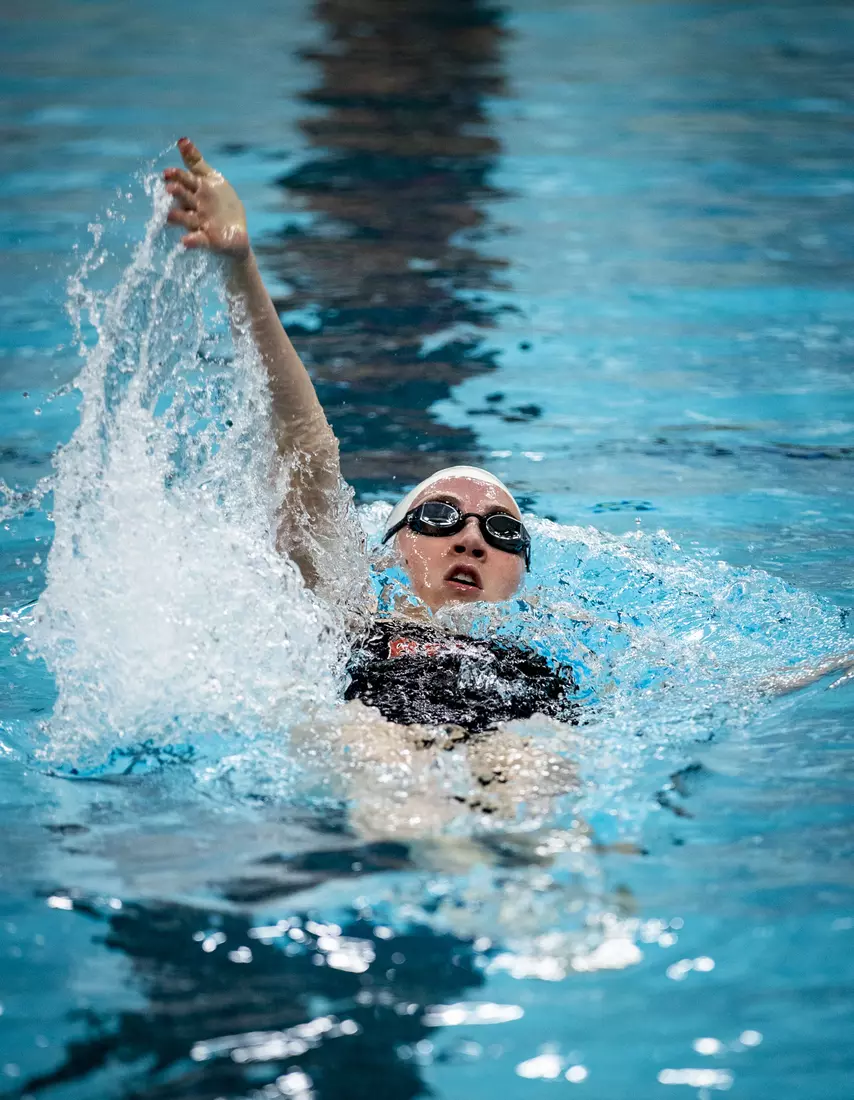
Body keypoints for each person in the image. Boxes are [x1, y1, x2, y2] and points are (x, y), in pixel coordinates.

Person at [163, 140, 853, 828]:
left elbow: (725, 691)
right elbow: (305, 447)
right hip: (372, 726)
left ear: (521, 573)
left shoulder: (566, 649)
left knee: (536, 781)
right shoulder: (347, 612)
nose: (470, 535)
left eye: (501, 531)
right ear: (389, 551)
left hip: (526, 732)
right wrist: (241, 268)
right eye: (438, 517)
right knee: (393, 776)